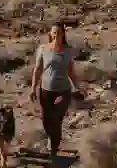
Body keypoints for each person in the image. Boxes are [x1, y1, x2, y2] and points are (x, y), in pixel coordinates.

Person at [29, 22, 81, 157]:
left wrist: (78, 87)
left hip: (63, 90)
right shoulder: (43, 48)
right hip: (45, 90)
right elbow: (37, 69)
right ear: (50, 35)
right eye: (54, 32)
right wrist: (33, 88)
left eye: (59, 32)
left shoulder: (68, 50)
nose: (56, 35)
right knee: (46, 120)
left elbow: (70, 71)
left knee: (56, 116)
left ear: (63, 34)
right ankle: (52, 141)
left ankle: (53, 147)